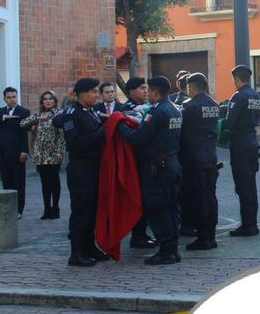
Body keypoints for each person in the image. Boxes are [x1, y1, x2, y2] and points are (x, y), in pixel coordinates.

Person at [117, 76, 183, 265]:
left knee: (157, 209)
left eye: (149, 91)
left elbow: (137, 138)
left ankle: (165, 251)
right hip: (172, 165)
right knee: (171, 209)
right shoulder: (175, 110)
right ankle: (173, 249)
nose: (147, 94)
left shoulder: (157, 112)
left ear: (155, 92)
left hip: (157, 169)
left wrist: (120, 125)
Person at [61, 78, 110, 266]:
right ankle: (77, 251)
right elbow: (74, 144)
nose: (97, 95)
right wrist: (100, 134)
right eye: (94, 92)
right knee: (81, 209)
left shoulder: (91, 112)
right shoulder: (72, 115)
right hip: (81, 169)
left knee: (92, 209)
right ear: (82, 94)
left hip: (93, 168)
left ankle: (89, 246)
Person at [177, 73, 220, 250]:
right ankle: (211, 235)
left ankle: (203, 238)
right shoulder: (214, 104)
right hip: (210, 155)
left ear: (192, 87)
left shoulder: (189, 106)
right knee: (210, 195)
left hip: (193, 156)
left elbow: (179, 128)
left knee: (198, 196)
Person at [221, 64, 260, 236]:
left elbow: (230, 123)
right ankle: (252, 222)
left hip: (240, 144)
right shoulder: (257, 96)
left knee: (242, 185)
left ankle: (247, 225)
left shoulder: (238, 97)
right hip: (253, 141)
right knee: (251, 184)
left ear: (236, 79)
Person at [120, 77, 157, 249]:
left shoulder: (148, 107)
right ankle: (137, 235)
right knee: (137, 198)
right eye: (141, 88)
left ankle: (141, 233)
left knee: (144, 198)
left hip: (143, 159)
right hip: (134, 160)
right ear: (131, 92)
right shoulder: (126, 109)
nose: (145, 91)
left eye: (146, 88)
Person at [20, 90, 66, 220]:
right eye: (45, 99)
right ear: (42, 101)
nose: (48, 101)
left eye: (50, 99)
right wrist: (36, 119)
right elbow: (23, 124)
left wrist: (59, 153)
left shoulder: (59, 114)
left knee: (54, 180)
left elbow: (61, 137)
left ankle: (55, 208)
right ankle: (47, 209)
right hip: (40, 153)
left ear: (54, 101)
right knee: (44, 182)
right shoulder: (38, 114)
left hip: (53, 151)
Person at [0, 87, 31, 218]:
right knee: (6, 181)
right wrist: (4, 117)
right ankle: (8, 208)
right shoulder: (1, 112)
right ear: (4, 99)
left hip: (17, 152)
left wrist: (24, 151)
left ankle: (18, 210)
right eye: (9, 97)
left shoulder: (23, 112)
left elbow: (26, 133)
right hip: (2, 153)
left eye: (14, 97)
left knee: (18, 182)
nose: (12, 100)